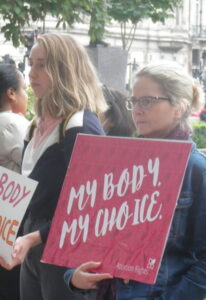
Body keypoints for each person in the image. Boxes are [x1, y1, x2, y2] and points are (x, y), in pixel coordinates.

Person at [65, 61, 206, 299]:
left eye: (147, 101)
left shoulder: (201, 173)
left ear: (179, 107)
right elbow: (84, 239)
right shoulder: (111, 163)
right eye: (134, 102)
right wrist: (73, 276)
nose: (137, 110)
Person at [0, 33, 107, 300]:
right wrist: (9, 236)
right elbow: (25, 192)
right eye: (31, 63)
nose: (31, 73)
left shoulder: (81, 125)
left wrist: (33, 237)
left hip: (65, 249)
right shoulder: (36, 125)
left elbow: (91, 205)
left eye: (42, 65)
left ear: (64, 70)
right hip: (33, 243)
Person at [0, 63, 29, 300]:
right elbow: (31, 166)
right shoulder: (13, 123)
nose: (26, 95)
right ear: (11, 93)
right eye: (24, 89)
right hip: (10, 220)